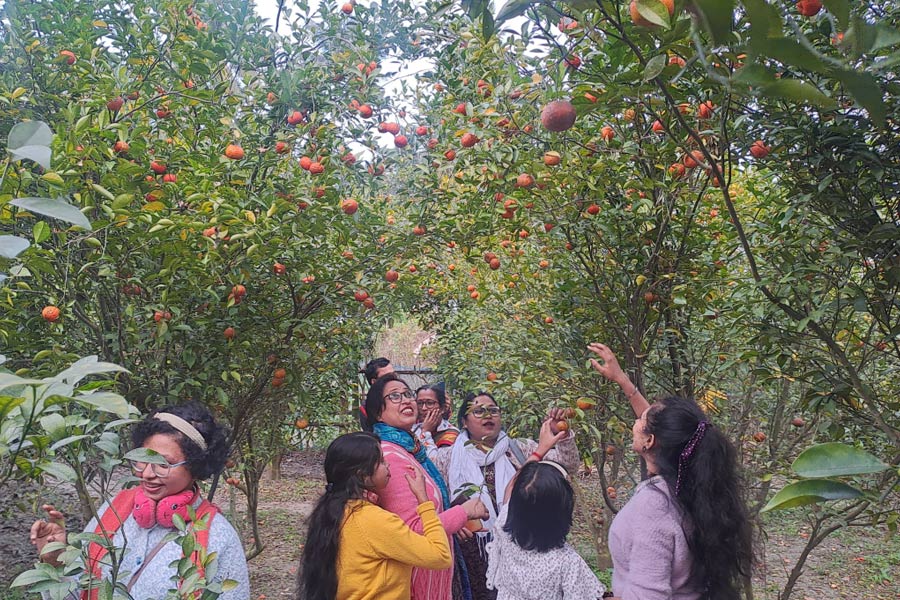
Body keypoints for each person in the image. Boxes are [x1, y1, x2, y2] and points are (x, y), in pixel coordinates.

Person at [29, 402, 250, 600]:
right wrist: (56, 561)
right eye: (142, 460)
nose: (146, 474)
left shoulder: (218, 538)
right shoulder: (113, 512)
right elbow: (78, 592)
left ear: (196, 466)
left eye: (163, 464)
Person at [587, 342, 753, 600]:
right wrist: (622, 380)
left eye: (640, 421)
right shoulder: (692, 482)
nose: (636, 420)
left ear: (650, 441)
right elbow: (662, 429)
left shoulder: (653, 507)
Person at [430, 391, 579, 600]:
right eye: (479, 411)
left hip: (524, 551)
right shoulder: (446, 458)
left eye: (493, 410)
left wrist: (561, 435)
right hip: (472, 555)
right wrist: (455, 519)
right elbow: (436, 501)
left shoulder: (520, 449)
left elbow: (569, 464)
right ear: (464, 421)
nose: (487, 416)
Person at [366, 374, 489, 600]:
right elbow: (412, 531)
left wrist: (453, 519)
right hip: (416, 579)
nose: (406, 400)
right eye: (394, 396)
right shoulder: (390, 457)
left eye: (407, 394)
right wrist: (464, 512)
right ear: (377, 412)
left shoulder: (411, 450)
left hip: (430, 573)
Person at [298, 432, 453, 600]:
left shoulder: (332, 513)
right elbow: (440, 556)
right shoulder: (374, 520)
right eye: (380, 461)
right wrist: (424, 500)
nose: (388, 465)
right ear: (362, 474)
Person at [485, 461, 606, 599]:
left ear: (514, 506)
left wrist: (537, 454)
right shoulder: (567, 562)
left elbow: (510, 492)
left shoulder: (504, 529)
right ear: (562, 513)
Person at [414, 383, 460, 448]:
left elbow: (435, 458)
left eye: (430, 403)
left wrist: (425, 433)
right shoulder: (414, 429)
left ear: (442, 408)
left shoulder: (451, 435)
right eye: (419, 403)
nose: (423, 408)